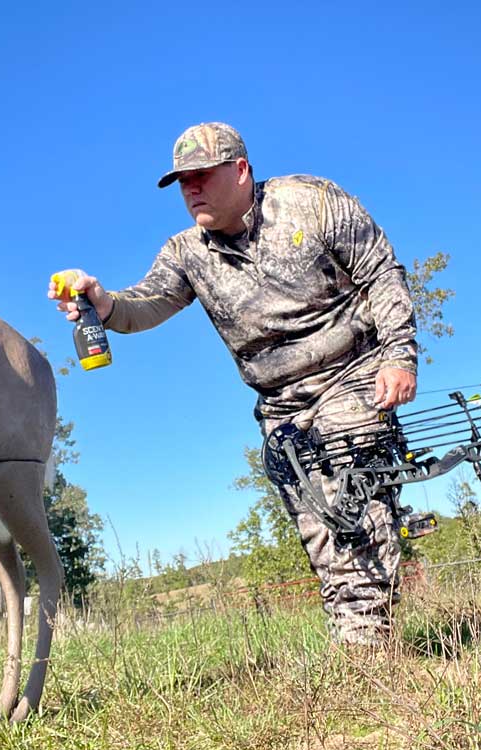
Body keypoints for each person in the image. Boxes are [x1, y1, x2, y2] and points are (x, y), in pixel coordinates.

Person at [49, 122, 418, 645]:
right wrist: (101, 302)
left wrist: (399, 356)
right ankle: (355, 632)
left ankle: (367, 642)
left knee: (353, 485)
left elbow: (382, 272)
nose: (191, 189)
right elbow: (146, 304)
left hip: (352, 371)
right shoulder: (186, 252)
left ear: (240, 170)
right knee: (316, 522)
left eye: (201, 175)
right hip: (281, 402)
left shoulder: (311, 202)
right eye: (182, 182)